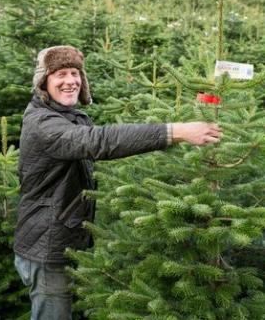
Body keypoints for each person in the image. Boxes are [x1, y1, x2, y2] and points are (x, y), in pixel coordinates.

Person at [14, 45, 222, 320]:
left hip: (62, 239)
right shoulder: (44, 124)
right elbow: (99, 141)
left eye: (75, 73)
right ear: (44, 82)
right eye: (60, 74)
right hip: (47, 248)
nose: (70, 81)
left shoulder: (66, 116)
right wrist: (177, 131)